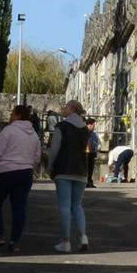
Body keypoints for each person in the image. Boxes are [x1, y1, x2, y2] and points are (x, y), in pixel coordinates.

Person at [0, 104, 42, 251]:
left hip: (4, 172)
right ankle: (14, 241)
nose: (10, 117)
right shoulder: (34, 134)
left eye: (11, 114)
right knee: (19, 208)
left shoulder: (8, 131)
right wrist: (30, 166)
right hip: (25, 173)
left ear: (17, 115)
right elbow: (37, 157)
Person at [45, 100, 93, 252]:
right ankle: (83, 237)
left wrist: (50, 166)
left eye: (66, 106)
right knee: (77, 205)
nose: (63, 108)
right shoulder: (86, 130)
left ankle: (66, 242)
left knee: (64, 206)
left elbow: (54, 150)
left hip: (64, 170)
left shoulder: (62, 127)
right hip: (81, 171)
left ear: (71, 109)